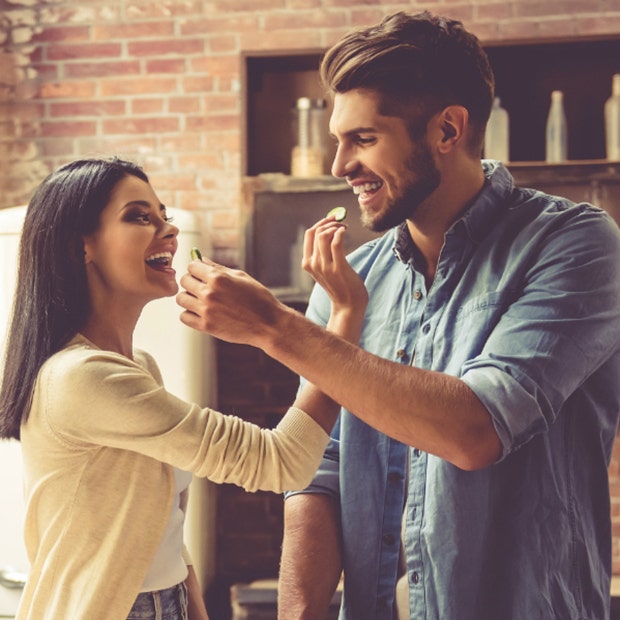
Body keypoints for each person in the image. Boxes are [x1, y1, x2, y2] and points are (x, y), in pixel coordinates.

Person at [176, 10, 620, 620]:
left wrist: (275, 327)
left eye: (363, 139)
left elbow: (476, 429)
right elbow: (318, 470)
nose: (339, 166)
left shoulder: (575, 245)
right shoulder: (348, 280)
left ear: (447, 130)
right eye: (337, 140)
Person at [0, 157, 367, 620]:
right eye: (138, 216)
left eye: (163, 216)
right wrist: (344, 315)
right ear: (81, 246)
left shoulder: (137, 368)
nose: (168, 231)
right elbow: (282, 462)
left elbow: (162, 522)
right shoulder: (82, 378)